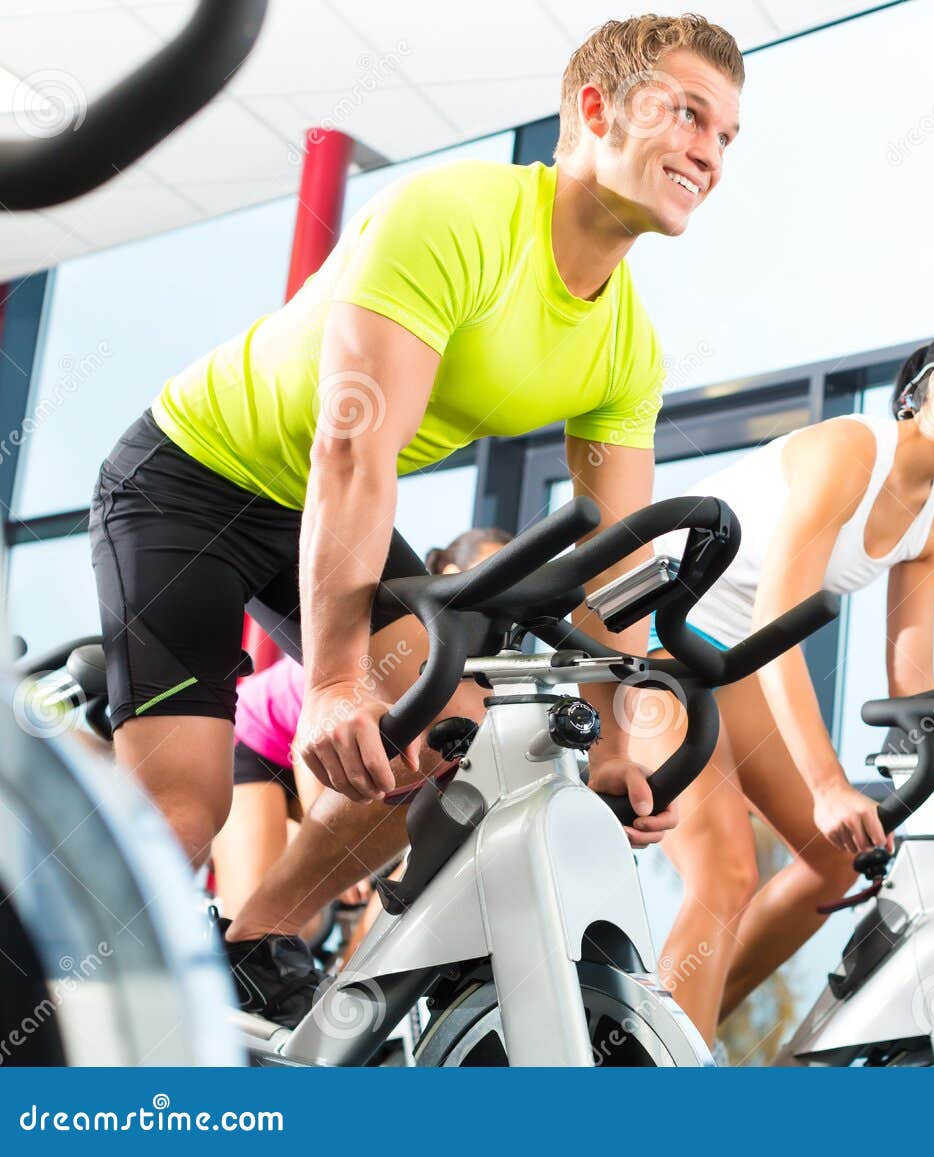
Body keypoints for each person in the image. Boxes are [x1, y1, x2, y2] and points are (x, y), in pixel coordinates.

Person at [86, 15, 744, 1026]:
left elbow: (624, 562)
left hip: (314, 501)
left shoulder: (625, 347)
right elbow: (353, 446)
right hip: (191, 477)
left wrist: (620, 733)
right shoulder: (454, 214)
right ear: (598, 108)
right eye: (688, 114)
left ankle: (257, 938)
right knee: (179, 817)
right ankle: (53, 1011)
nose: (707, 150)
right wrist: (338, 679)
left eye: (726, 136)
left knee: (453, 737)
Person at [627, 312, 934, 1047]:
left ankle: (668, 1039)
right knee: (724, 871)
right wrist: (826, 782)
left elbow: (916, 688)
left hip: (735, 660)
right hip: (650, 631)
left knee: (835, 863)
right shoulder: (850, 452)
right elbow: (774, 617)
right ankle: (664, 1060)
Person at [209, 529, 510, 935]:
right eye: (490, 573)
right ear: (453, 573)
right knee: (291, 924)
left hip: (339, 758)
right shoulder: (396, 639)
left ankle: (350, 989)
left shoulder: (483, 662)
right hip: (262, 748)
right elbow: (307, 743)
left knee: (413, 871)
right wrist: (336, 855)